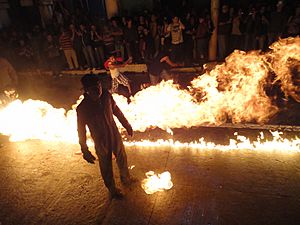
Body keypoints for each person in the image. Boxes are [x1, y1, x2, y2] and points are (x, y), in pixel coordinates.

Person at [76, 74, 136, 199]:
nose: (98, 89)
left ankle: (126, 178)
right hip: (100, 139)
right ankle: (112, 189)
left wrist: (127, 125)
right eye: (93, 87)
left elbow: (117, 111)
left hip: (114, 133)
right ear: (86, 90)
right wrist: (84, 149)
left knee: (121, 156)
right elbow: (81, 130)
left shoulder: (106, 96)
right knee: (105, 164)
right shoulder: (82, 108)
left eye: (98, 85)